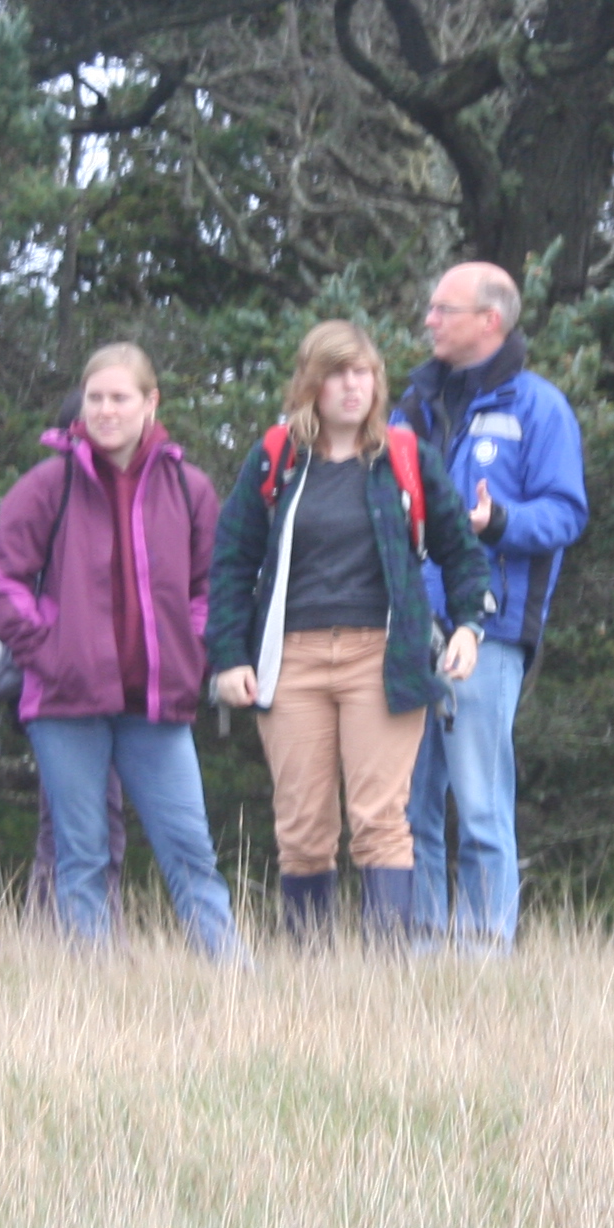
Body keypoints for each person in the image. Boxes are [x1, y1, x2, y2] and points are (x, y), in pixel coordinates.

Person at [207, 319, 490, 943]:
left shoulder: (405, 457)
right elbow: (231, 560)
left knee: (380, 820)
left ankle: (384, 977)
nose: (352, 385)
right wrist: (227, 656)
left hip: (381, 658)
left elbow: (462, 552)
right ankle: (312, 974)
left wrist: (469, 625)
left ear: (377, 383)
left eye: (362, 372)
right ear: (311, 383)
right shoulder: (277, 457)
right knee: (302, 828)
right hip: (292, 659)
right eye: (336, 373)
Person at [0, 343, 241, 958]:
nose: (105, 410)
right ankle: (93, 989)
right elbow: (0, 584)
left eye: (119, 398)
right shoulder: (47, 486)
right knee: (82, 855)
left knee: (190, 851)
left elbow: (213, 588)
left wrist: (191, 651)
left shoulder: (190, 489)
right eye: (95, 398)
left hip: (156, 705)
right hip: (64, 705)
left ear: (151, 403)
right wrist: (49, 652)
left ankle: (235, 981)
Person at [399, 261, 589, 946]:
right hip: (411, 627)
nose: (429, 320)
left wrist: (499, 521)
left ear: (490, 320)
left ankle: (482, 958)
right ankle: (418, 957)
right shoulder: (413, 407)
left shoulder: (539, 407)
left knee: (480, 806)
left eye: (442, 309)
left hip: (491, 631)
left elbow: (566, 513)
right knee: (407, 808)